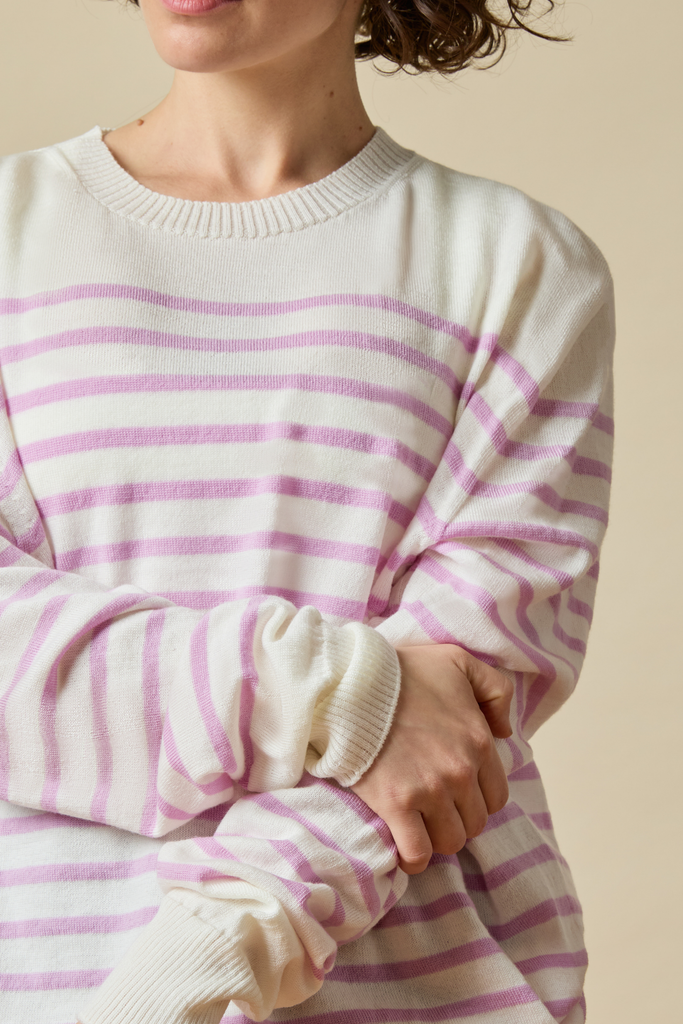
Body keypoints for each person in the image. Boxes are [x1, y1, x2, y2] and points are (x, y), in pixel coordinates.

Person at [0, 1, 614, 1022]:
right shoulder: (9, 239)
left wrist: (195, 964)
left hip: (421, 989)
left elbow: (461, 711)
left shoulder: (518, 266)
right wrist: (345, 696)